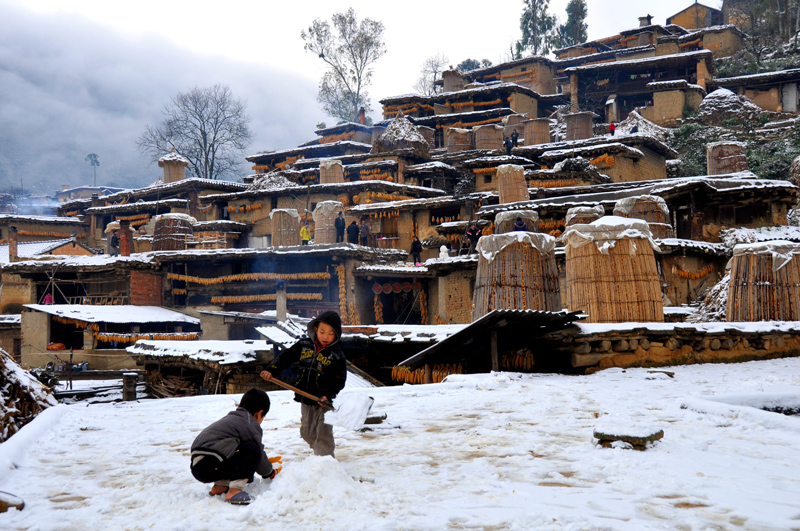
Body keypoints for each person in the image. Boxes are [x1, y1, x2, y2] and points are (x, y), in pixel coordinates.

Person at [260, 311, 346, 457]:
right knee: (307, 433)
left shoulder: (336, 355)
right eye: (322, 332)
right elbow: (286, 357)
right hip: (305, 398)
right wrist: (272, 370)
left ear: (337, 335)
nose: (325, 337)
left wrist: (329, 395)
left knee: (323, 432)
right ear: (315, 329)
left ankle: (326, 463)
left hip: (324, 400)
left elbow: (339, 380)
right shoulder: (304, 345)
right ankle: (318, 451)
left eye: (331, 333)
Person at [190, 388, 277, 505]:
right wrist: (270, 472)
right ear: (259, 413)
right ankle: (234, 491)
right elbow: (258, 454)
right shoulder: (249, 424)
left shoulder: (231, 419)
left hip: (198, 466)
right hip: (211, 462)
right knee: (253, 449)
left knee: (236, 452)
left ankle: (219, 487)